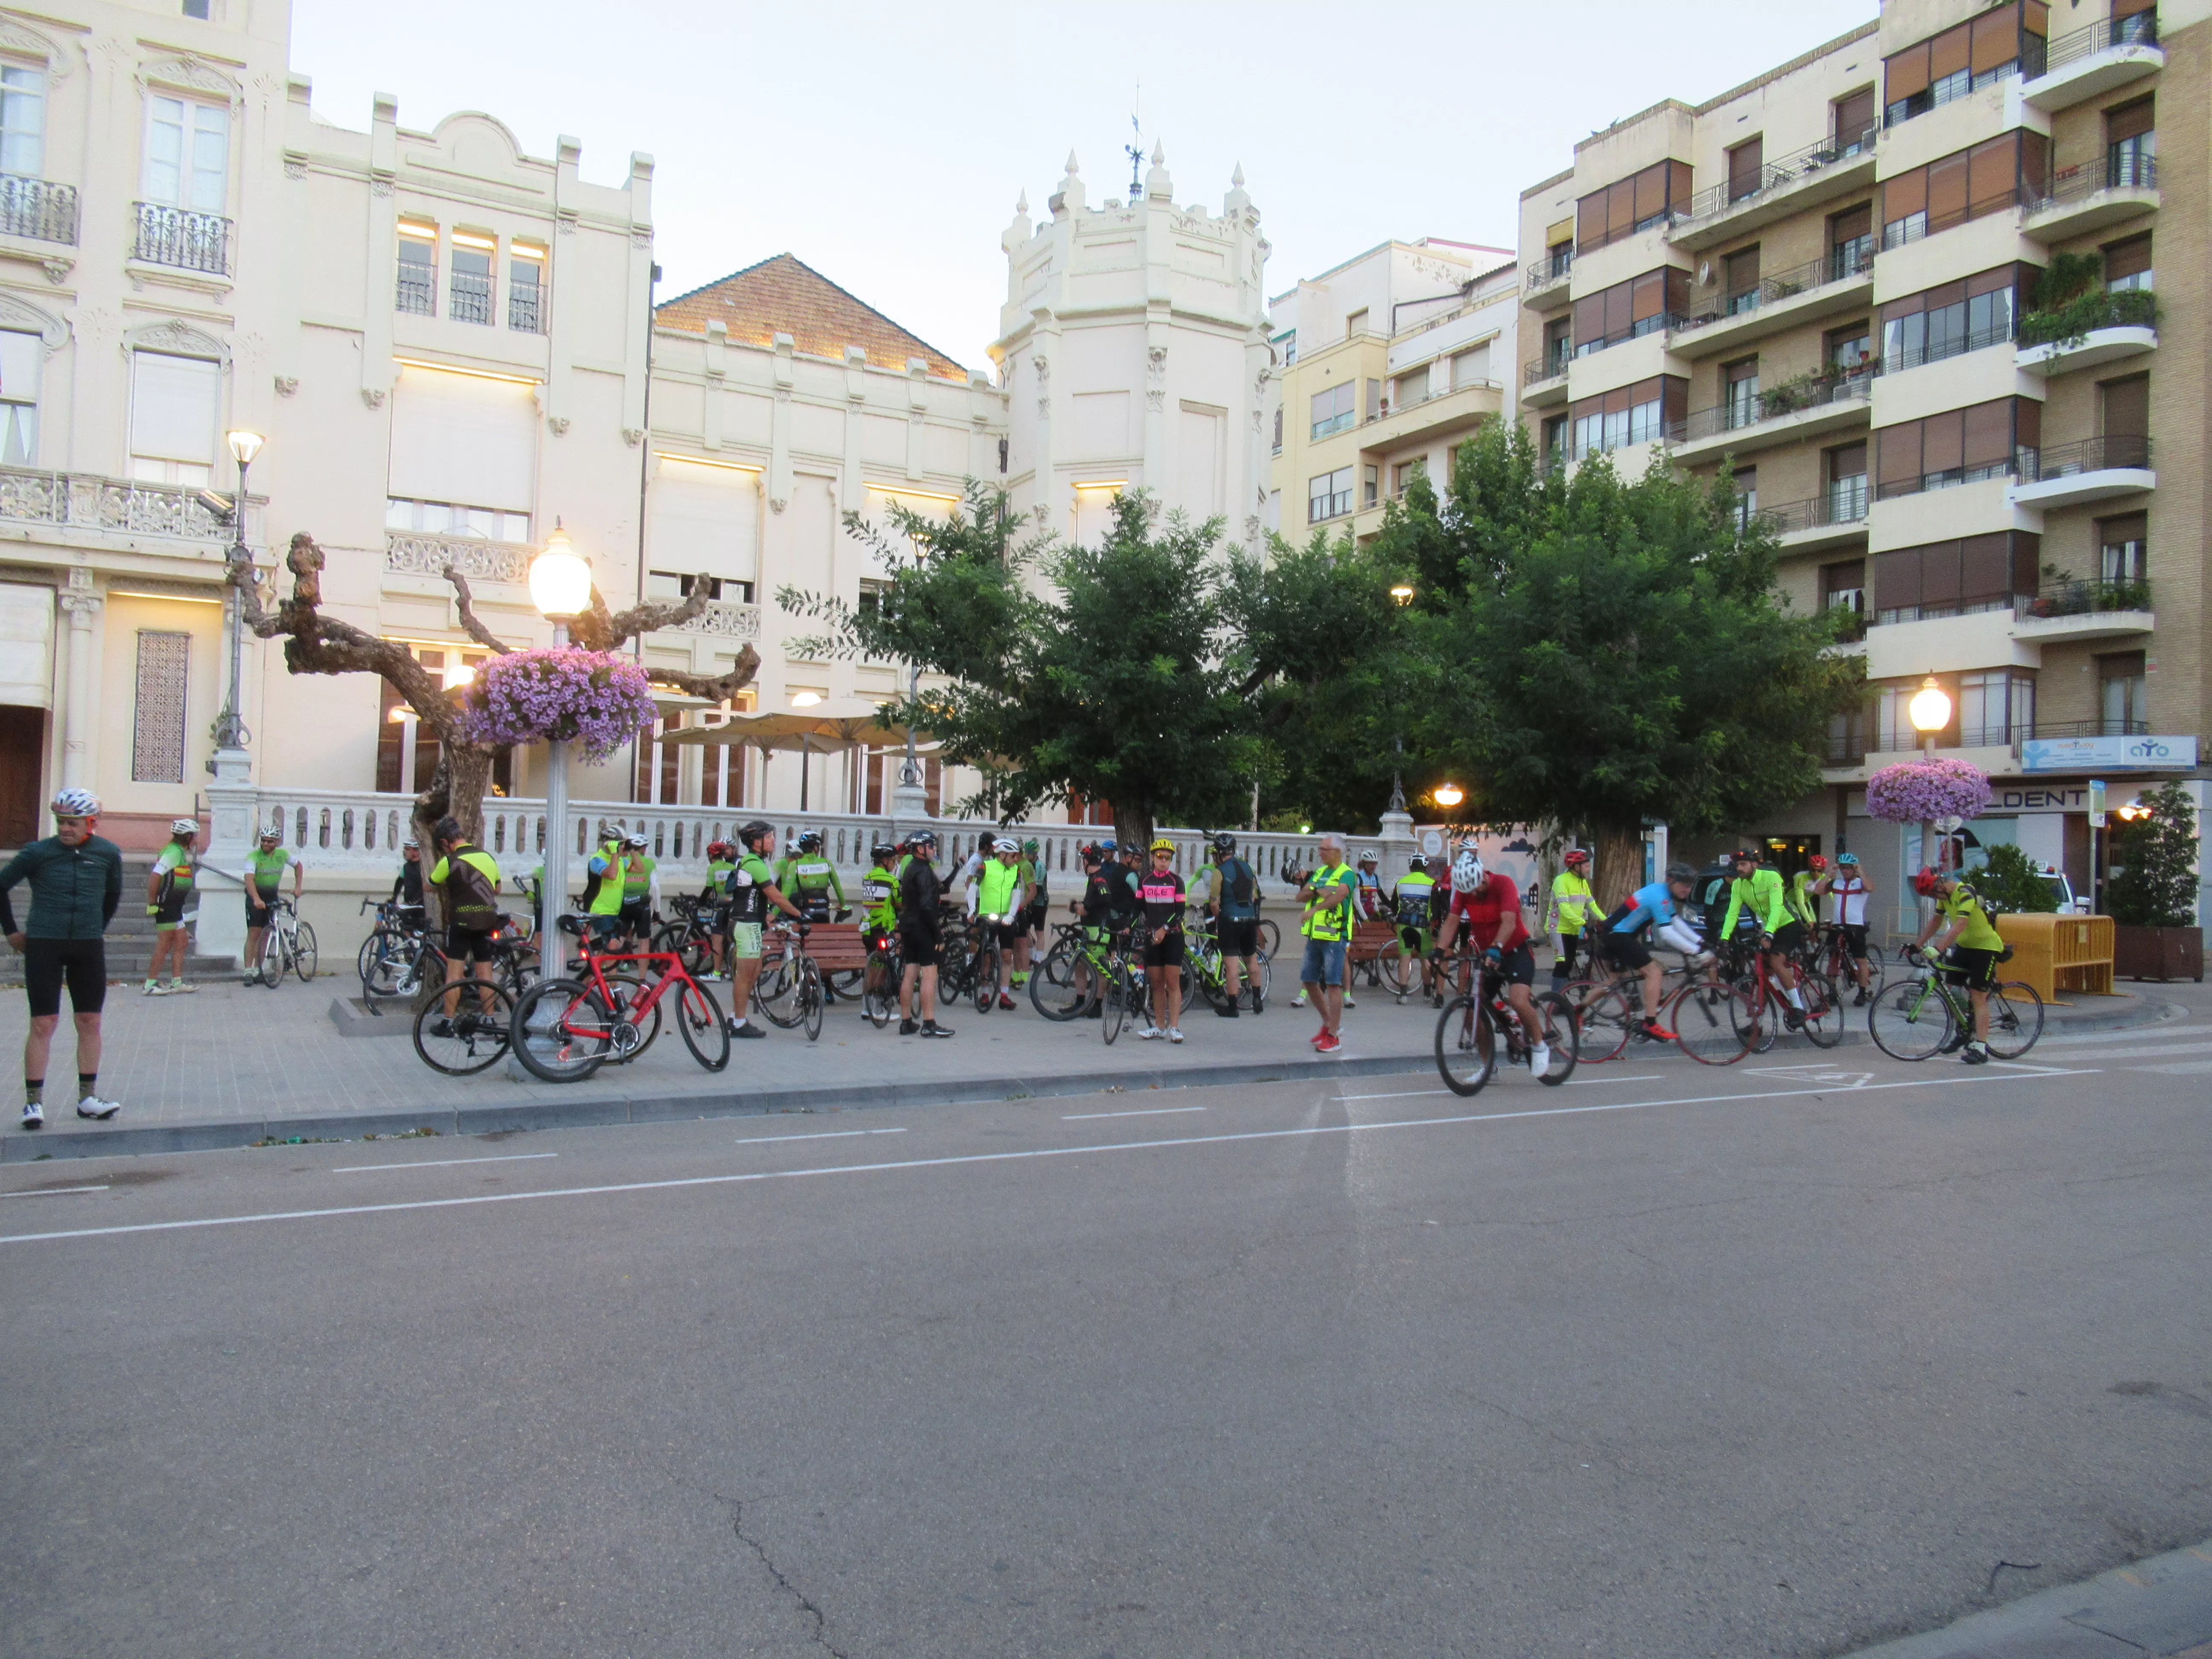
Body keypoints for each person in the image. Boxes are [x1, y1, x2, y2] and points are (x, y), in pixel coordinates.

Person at [2, 789, 125, 1127]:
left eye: (73, 823)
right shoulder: (38, 853)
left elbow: (113, 895)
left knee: (90, 1022)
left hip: (87, 945)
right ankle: (33, 1102)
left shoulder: (108, 853)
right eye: (61, 822)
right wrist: (12, 932)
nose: (65, 829)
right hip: (45, 943)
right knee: (43, 1023)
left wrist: (96, 926)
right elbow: (2, 885)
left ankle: (88, 1098)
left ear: (91, 823)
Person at [1433, 844, 1548, 1077]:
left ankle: (1539, 1045)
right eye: (1469, 892)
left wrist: (1497, 946)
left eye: (1477, 889)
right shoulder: (1466, 892)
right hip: (1488, 957)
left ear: (1483, 875)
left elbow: (1509, 922)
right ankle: (1488, 1067)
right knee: (1471, 1011)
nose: (1474, 895)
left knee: (1517, 1000)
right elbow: (1453, 921)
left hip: (1515, 952)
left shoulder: (1504, 884)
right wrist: (1439, 950)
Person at [1596, 862, 1704, 1042]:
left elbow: (1676, 922)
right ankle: (1650, 1023)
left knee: (1615, 980)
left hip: (1619, 934)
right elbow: (1667, 932)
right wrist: (1696, 951)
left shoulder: (1663, 893)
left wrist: (1701, 942)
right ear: (1670, 880)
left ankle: (1579, 1011)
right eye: (1684, 885)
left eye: (1690, 885)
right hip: (1618, 935)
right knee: (1654, 972)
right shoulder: (1659, 896)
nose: (1688, 889)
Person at [1911, 865, 2004, 1064]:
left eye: (1934, 893)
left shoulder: (1965, 893)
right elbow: (1935, 922)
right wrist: (1915, 946)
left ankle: (1981, 1048)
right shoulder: (1944, 898)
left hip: (1986, 948)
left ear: (1941, 884)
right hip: (1965, 946)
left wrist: (1939, 948)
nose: (1935, 898)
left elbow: (1960, 924)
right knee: (1951, 987)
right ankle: (1966, 1028)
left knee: (1977, 994)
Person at [725, 821, 806, 1039]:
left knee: (756, 969)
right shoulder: (755, 864)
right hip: (746, 925)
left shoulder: (755, 862)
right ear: (757, 841)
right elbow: (775, 895)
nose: (774, 841)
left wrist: (770, 920)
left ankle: (736, 1017)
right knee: (745, 975)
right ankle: (739, 1022)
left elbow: (757, 899)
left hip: (750, 923)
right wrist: (798, 914)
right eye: (770, 837)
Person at [427, 817, 504, 1038]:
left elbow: (431, 885)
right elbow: (498, 889)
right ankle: (490, 1021)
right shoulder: (488, 857)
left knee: (454, 975)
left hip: (460, 924)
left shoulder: (449, 861)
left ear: (446, 843)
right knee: (486, 974)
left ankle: (448, 1023)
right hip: (487, 923)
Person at [1715, 847, 1807, 1025]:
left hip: (1788, 924)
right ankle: (1755, 1025)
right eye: (1737, 865)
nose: (1739, 868)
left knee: (1775, 962)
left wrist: (1770, 933)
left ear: (1755, 865)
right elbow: (1732, 914)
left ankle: (1799, 1008)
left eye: (1743, 864)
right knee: (1761, 974)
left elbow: (1777, 907)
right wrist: (1724, 938)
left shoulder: (1771, 878)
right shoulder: (1738, 885)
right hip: (1768, 929)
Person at [1296, 833, 1357, 1053]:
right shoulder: (1321, 872)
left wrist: (1316, 906)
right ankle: (1329, 1024)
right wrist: (1316, 890)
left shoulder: (1347, 874)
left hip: (1334, 937)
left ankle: (1334, 1038)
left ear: (1337, 852)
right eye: (1320, 849)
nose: (1320, 852)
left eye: (1324, 849)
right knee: (1309, 980)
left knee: (1333, 984)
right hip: (1315, 936)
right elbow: (1301, 895)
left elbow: (1338, 897)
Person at [895, 828, 954, 1037]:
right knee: (929, 975)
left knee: (910, 973)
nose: (934, 850)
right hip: (922, 927)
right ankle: (929, 1023)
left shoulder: (910, 867)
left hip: (908, 926)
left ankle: (906, 1022)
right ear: (921, 849)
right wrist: (938, 934)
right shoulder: (925, 872)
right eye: (932, 846)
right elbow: (928, 907)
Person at [1136, 838, 1187, 1042]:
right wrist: (1127, 926)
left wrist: (1165, 929)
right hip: (1152, 937)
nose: (1163, 861)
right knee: (1156, 983)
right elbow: (1138, 907)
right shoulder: (1145, 880)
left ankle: (1174, 1027)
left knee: (1172, 983)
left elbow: (1180, 911)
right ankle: (1159, 1026)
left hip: (1173, 937)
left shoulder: (1177, 881)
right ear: (1152, 858)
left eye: (1167, 858)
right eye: (1159, 857)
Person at [144, 817, 201, 996]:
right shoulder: (173, 852)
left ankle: (177, 982)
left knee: (182, 943)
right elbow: (155, 876)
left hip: (176, 906)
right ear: (188, 837)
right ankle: (150, 984)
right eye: (195, 837)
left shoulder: (178, 852)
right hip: (166, 906)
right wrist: (153, 903)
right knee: (165, 944)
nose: (196, 840)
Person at [1210, 832, 1264, 1018]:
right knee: (1251, 959)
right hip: (1249, 920)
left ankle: (1233, 1007)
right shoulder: (1248, 868)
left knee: (1232, 966)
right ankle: (1257, 1000)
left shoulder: (1219, 872)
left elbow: (1214, 902)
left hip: (1230, 921)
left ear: (1218, 853)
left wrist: (1220, 917)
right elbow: (1255, 896)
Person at [242, 826, 302, 985]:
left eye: (270, 841)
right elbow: (249, 879)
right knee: (254, 934)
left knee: (267, 935)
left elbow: (298, 866)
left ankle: (258, 970)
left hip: (272, 897)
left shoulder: (282, 855)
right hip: (256, 898)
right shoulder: (253, 857)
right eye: (263, 841)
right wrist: (256, 899)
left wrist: (298, 887)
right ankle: (248, 971)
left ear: (277, 842)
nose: (266, 844)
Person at [974, 837, 1028, 1012]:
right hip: (986, 916)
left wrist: (1012, 915)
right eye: (1013, 856)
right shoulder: (986, 866)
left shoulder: (1017, 871)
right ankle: (984, 993)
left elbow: (1017, 894)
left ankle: (1004, 996)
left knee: (1006, 956)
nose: (1016, 860)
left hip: (1006, 917)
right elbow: (973, 888)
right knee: (987, 957)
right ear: (1003, 855)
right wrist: (970, 911)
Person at [1818, 852, 1876, 1004]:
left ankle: (1862, 993)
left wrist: (1861, 871)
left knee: (1860, 960)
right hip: (1838, 925)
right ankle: (1832, 992)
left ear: (1854, 868)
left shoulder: (1860, 882)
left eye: (1848, 868)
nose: (1845, 871)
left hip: (1856, 926)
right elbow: (1818, 891)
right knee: (1833, 959)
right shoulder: (1836, 883)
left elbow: (1870, 888)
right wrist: (1829, 875)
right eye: (1842, 868)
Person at [1547, 847, 1598, 985]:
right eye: (1587, 866)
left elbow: (1592, 905)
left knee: (1569, 966)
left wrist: (1605, 921)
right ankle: (1556, 1002)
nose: (1589, 869)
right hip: (1557, 929)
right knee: (1563, 964)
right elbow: (1564, 909)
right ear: (1577, 867)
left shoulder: (1583, 882)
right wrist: (1584, 923)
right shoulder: (1561, 881)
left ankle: (1562, 998)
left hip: (1573, 929)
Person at [1393, 856, 1440, 1003]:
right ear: (1425, 868)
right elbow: (1437, 910)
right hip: (1423, 926)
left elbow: (1394, 906)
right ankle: (1427, 993)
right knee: (1425, 959)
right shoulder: (1431, 884)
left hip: (1404, 925)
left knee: (1405, 958)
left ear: (1410, 868)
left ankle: (1403, 995)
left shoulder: (1401, 883)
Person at [775, 829, 847, 923]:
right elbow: (838, 889)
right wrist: (842, 904)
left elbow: (786, 893)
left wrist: (774, 913)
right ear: (816, 848)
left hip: (805, 909)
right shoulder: (827, 863)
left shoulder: (795, 864)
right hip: (824, 908)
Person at [1013, 838, 1047, 987]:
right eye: (1027, 852)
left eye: (1030, 853)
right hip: (1029, 903)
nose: (1028, 855)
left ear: (1036, 854)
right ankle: (1032, 955)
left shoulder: (1039, 866)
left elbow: (1037, 889)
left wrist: (1026, 903)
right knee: (1025, 932)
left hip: (1040, 902)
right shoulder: (1024, 864)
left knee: (1039, 931)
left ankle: (1038, 959)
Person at [617, 830, 658, 946]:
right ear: (642, 848)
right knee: (644, 942)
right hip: (642, 906)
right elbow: (655, 888)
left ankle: (620, 962)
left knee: (621, 937)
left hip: (623, 904)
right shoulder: (649, 863)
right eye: (645, 848)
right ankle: (643, 964)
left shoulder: (623, 861)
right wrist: (657, 911)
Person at [390, 836, 427, 929]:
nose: (404, 852)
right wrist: (394, 898)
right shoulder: (406, 867)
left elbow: (425, 886)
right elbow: (400, 881)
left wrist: (414, 901)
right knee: (406, 929)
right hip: (408, 904)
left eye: (408, 849)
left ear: (416, 852)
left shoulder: (423, 867)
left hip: (421, 907)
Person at [1790, 854, 1828, 933]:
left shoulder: (1824, 879)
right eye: (1813, 870)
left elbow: (1834, 897)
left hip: (1806, 901)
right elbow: (1800, 902)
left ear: (1823, 871)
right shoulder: (1800, 877)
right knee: (1799, 924)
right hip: (1790, 901)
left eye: (1819, 871)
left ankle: (1811, 943)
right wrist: (1809, 921)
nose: (1816, 873)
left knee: (1814, 928)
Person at [1352, 850, 1385, 921]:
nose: (1373, 867)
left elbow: (1374, 900)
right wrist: (1365, 919)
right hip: (1359, 915)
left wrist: (1377, 912)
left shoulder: (1376, 878)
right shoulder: (1358, 878)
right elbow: (1356, 901)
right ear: (1364, 864)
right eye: (1370, 864)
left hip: (1371, 914)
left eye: (1375, 864)